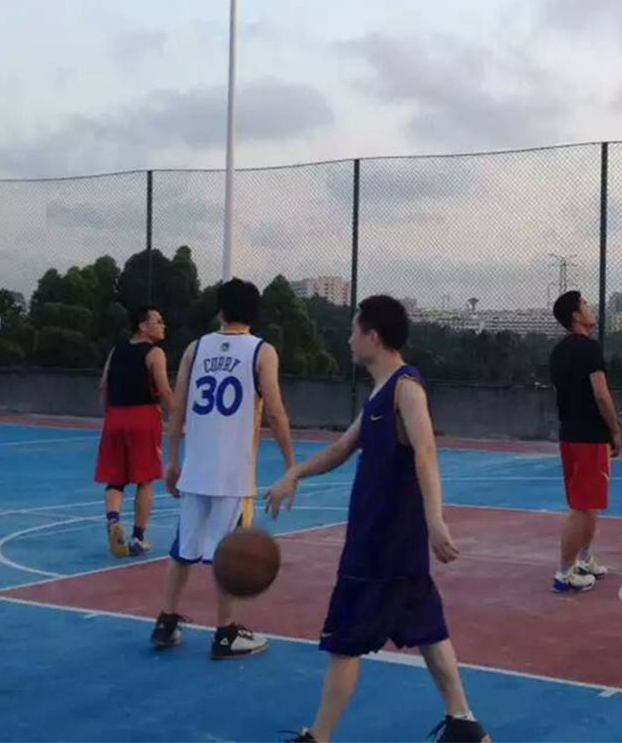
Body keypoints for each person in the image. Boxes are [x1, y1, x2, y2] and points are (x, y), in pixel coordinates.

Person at [265, 296, 490, 743]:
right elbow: (343, 447)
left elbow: (426, 453)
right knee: (428, 627)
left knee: (345, 640)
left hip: (382, 540)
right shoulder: (379, 392)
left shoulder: (407, 388)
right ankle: (464, 721)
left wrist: (435, 521)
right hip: (390, 539)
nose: (348, 339)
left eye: (354, 330)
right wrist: (296, 472)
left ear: (373, 336)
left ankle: (320, 737)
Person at [149, 278, 296, 658]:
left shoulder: (195, 350)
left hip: (196, 468)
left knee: (183, 548)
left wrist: (174, 459)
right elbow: (276, 414)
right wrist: (290, 465)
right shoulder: (262, 352)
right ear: (255, 313)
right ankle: (226, 632)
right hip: (233, 473)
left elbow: (177, 409)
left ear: (220, 310)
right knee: (228, 555)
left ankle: (165, 621)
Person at [549, 290, 622, 592]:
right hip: (589, 438)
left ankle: (585, 559)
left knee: (589, 503)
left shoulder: (558, 352)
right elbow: (601, 394)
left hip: (571, 435)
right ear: (577, 316)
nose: (590, 308)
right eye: (585, 305)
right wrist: (615, 429)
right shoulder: (590, 349)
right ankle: (564, 574)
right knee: (581, 507)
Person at [95, 304, 173, 557]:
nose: (163, 325)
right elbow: (163, 390)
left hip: (115, 417)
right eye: (158, 321)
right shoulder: (155, 354)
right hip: (143, 417)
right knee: (145, 480)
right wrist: (179, 418)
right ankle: (138, 538)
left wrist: (109, 413)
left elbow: (103, 385)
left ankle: (113, 520)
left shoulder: (116, 351)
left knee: (115, 479)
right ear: (143, 326)